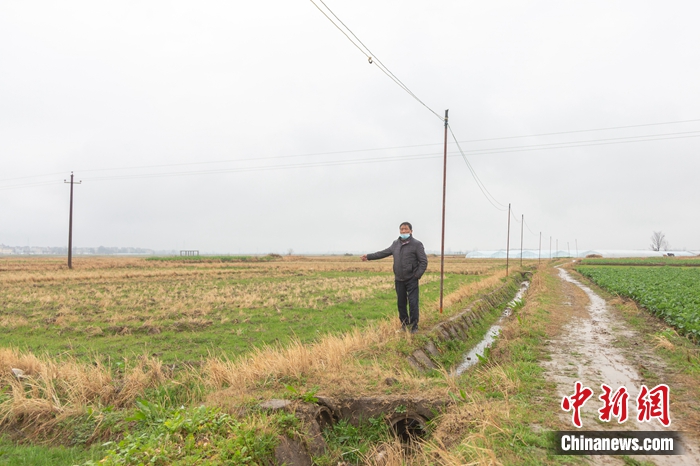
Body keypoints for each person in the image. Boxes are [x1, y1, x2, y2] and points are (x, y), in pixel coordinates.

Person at [362, 222, 428, 333]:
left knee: (413, 302)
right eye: (401, 229)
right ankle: (404, 324)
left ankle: (414, 325)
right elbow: (382, 253)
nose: (403, 231)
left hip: (411, 278)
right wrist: (368, 257)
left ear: (411, 231)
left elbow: (423, 262)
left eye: (406, 229)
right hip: (399, 279)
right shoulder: (395, 244)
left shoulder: (417, 244)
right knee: (401, 303)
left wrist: (417, 275)